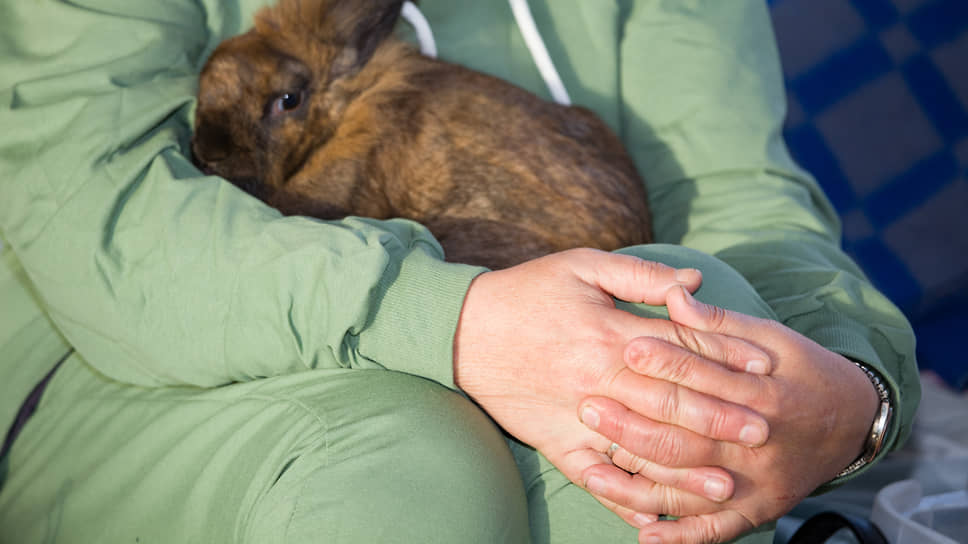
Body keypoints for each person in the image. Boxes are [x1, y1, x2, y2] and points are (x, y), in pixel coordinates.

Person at [0, 1, 919, 543]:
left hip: (545, 291)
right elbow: (94, 209)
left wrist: (856, 395)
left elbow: (736, 196)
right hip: (137, 338)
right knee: (409, 457)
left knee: (672, 378)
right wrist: (455, 322)